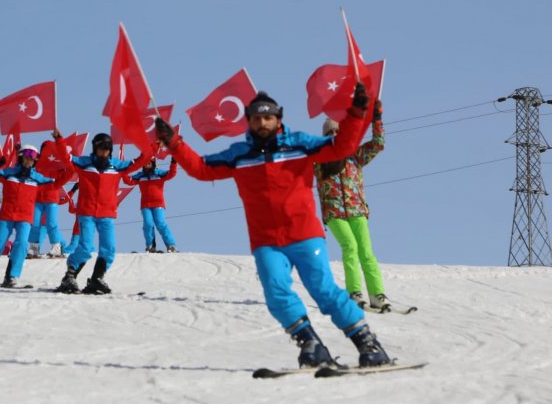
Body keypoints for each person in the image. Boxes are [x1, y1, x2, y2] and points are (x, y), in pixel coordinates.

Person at [154, 84, 391, 368]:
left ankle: (369, 345)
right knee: (276, 294)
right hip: (267, 241)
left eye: (268, 117)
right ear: (249, 121)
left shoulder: (300, 145)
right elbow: (201, 169)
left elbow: (343, 146)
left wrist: (356, 113)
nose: (262, 122)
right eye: (256, 118)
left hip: (305, 235)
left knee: (324, 291)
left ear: (278, 119)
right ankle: (312, 346)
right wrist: (173, 142)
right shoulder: (239, 155)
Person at [54, 133, 150, 294]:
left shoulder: (117, 166)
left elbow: (140, 160)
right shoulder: (84, 163)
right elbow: (66, 158)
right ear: (95, 148)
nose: (103, 152)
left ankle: (97, 278)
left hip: (107, 214)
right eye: (100, 148)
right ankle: (70, 276)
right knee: (85, 247)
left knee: (109, 248)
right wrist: (59, 141)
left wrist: (152, 147)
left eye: (106, 149)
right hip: (87, 212)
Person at [315, 101, 389, 310]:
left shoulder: (355, 155)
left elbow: (378, 144)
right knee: (350, 247)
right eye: (330, 132)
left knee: (366, 251)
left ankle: (377, 294)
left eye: (337, 131)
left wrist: (376, 118)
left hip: (356, 210)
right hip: (334, 213)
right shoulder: (319, 161)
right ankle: (354, 292)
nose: (334, 135)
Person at [0, 136, 70, 288]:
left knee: (21, 244)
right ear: (20, 157)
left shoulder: (36, 178)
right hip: (7, 216)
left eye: (33, 157)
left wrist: (70, 167)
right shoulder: (9, 173)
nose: (30, 159)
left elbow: (57, 183)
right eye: (27, 156)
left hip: (25, 217)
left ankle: (11, 277)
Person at [122, 155, 178, 253]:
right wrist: (124, 169)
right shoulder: (140, 176)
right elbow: (127, 180)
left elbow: (172, 174)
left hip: (158, 204)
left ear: (153, 164)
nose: (147, 165)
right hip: (145, 205)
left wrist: (173, 162)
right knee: (148, 224)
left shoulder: (159, 174)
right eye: (145, 164)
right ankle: (150, 246)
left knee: (160, 223)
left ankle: (171, 245)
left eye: (149, 163)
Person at [27, 140, 71, 258]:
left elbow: (67, 174)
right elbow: (26, 169)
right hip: (38, 198)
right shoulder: (36, 164)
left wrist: (67, 167)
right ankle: (33, 248)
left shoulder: (57, 164)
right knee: (35, 223)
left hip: (52, 198)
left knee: (51, 223)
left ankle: (56, 247)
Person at [61, 184, 81, 255]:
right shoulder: (79, 204)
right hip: (77, 230)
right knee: (73, 245)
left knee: (86, 245)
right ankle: (63, 250)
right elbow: (72, 210)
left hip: (85, 230)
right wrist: (70, 202)